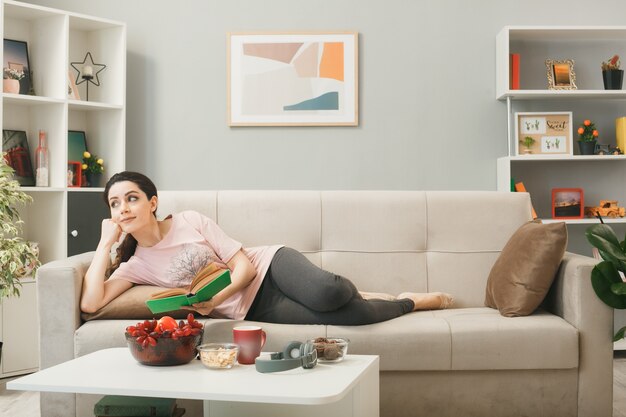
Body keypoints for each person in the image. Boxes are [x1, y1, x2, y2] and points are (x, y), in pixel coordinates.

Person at [80, 171, 454, 325]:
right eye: (114, 204)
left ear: (153, 202)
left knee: (330, 291)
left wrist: (214, 300)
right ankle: (409, 302)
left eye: (131, 198)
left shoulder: (189, 220)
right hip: (255, 307)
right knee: (352, 317)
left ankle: (352, 288)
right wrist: (104, 245)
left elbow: (243, 269)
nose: (123, 208)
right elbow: (91, 303)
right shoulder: (136, 265)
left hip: (268, 266)